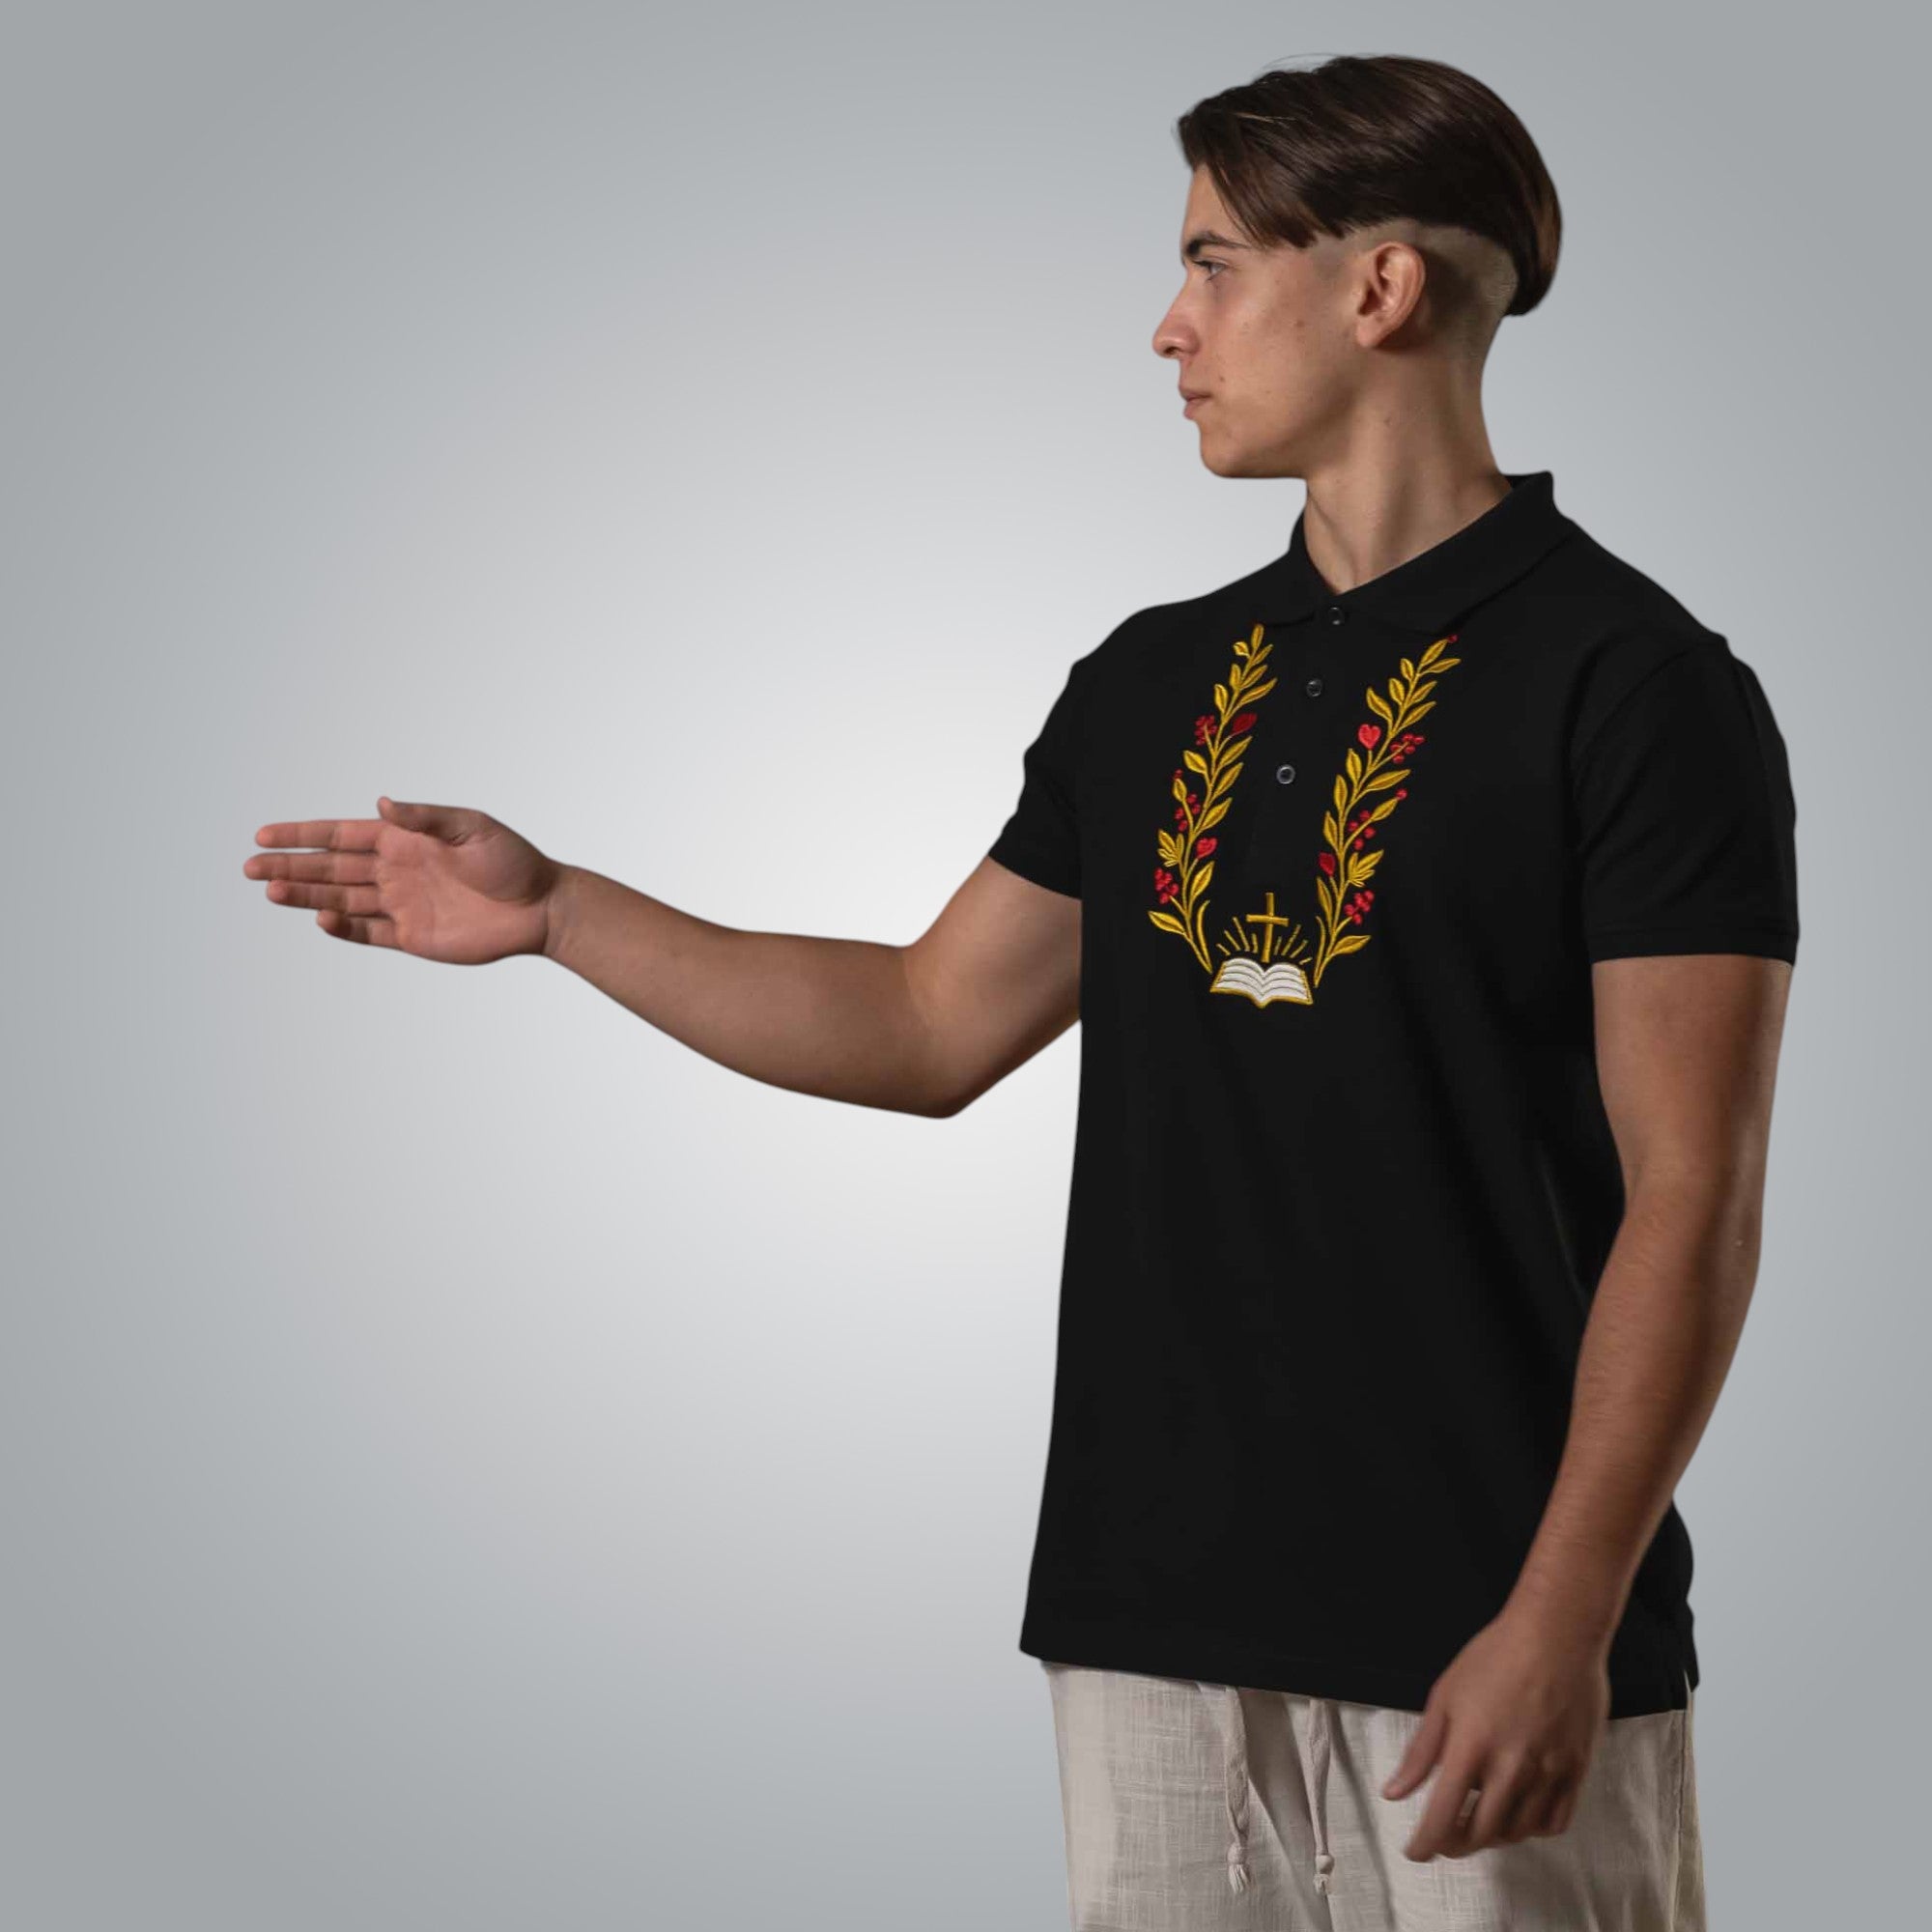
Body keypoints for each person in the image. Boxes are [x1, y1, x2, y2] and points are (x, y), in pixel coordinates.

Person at [242, 50, 1797, 1932]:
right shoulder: (1148, 684)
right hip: (1149, 1624)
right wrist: (564, 910)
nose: (1168, 325)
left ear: (1378, 287)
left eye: (1213, 263)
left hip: (1494, 1637)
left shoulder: (1636, 688)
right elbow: (925, 1024)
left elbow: (1692, 1194)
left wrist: (1564, 1617)